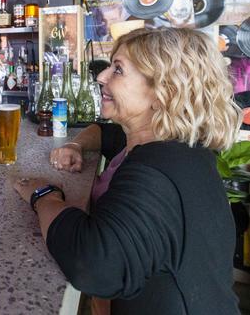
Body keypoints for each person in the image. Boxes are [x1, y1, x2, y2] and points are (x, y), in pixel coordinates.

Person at [13, 27, 241, 315]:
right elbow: (103, 133)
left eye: (118, 70)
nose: (101, 77)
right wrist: (75, 145)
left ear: (163, 92)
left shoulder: (157, 171)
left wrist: (44, 195)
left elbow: (92, 263)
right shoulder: (167, 144)